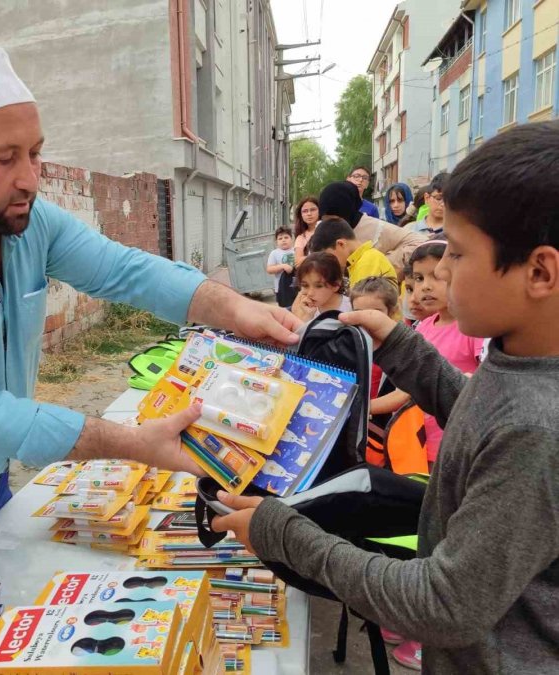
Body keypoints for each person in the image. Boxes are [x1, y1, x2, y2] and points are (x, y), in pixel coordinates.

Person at [0, 46, 301, 580]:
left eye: (35, 152)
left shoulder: (27, 221)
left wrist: (236, 308)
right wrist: (133, 445)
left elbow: (125, 271)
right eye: (5, 159)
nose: (30, 178)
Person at [210, 121, 559, 674]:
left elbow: (444, 604)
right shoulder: (521, 365)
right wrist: (398, 344)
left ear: (539, 271)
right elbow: (477, 411)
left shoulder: (538, 428)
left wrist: (286, 534)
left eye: (459, 256)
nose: (439, 272)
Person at [407, 240, 485, 465]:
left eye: (436, 276)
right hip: (422, 444)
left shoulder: (473, 327)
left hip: (459, 445)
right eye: (419, 278)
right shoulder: (422, 327)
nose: (426, 286)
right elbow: (409, 389)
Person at [318, 181, 427, 270]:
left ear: (346, 212)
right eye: (325, 219)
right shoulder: (326, 231)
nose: (329, 225)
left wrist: (383, 263)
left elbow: (421, 243)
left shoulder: (375, 228)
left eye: (334, 219)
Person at [349, 276, 406, 412]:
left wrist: (360, 410)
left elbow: (402, 395)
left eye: (374, 312)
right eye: (359, 313)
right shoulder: (351, 342)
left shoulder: (402, 347)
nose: (366, 318)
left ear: (391, 312)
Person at [308, 216, 397, 289]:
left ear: (341, 244)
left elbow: (363, 306)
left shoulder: (368, 262)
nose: (329, 265)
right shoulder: (360, 262)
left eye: (329, 258)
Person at [290, 252, 352, 322]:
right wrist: (304, 319)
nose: (310, 293)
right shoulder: (301, 308)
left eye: (318, 286)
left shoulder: (351, 308)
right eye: (305, 285)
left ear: (336, 284)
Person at [266, 227, 298, 308]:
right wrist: (282, 266)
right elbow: (269, 269)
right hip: (282, 289)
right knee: (286, 309)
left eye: (286, 237)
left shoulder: (296, 250)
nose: (283, 240)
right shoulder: (274, 253)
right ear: (276, 242)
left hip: (297, 286)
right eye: (280, 238)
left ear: (292, 239)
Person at [292, 196, 320, 265]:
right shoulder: (301, 237)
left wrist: (306, 258)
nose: (309, 214)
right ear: (301, 215)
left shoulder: (329, 230)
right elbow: (298, 263)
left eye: (313, 210)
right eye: (305, 211)